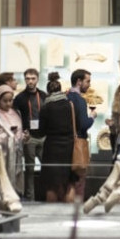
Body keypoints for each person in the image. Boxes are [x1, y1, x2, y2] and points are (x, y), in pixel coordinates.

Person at [38, 73, 76, 202]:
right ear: (60, 89)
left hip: (52, 148)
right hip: (69, 147)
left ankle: (51, 216)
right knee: (68, 184)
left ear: (48, 91)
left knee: (51, 185)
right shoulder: (69, 105)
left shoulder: (45, 107)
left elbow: (41, 132)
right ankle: (69, 217)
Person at [12, 68, 44, 201]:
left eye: (33, 78)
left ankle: (45, 196)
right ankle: (30, 198)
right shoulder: (19, 98)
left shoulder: (43, 96)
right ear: (25, 80)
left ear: (37, 79)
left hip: (43, 136)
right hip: (29, 137)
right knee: (29, 170)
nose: (30, 81)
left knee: (47, 167)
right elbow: (15, 116)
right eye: (28, 79)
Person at [65, 69, 94, 198]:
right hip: (78, 144)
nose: (89, 85)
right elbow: (84, 125)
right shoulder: (80, 101)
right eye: (87, 81)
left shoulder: (65, 97)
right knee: (79, 182)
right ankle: (77, 212)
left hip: (66, 144)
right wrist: (92, 117)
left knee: (69, 182)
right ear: (79, 81)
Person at [0, 85, 25, 193]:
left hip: (16, 153)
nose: (8, 104)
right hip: (2, 154)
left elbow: (20, 133)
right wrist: (8, 134)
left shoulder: (16, 113)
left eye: (11, 100)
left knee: (15, 179)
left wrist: (24, 136)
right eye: (5, 101)